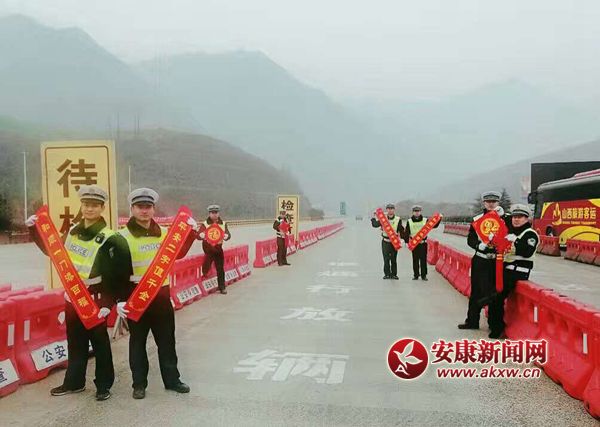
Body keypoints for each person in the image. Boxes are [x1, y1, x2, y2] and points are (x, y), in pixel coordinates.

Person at [26, 185, 126, 401]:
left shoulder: (111, 238)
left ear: (102, 208)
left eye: (95, 205)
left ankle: (103, 385)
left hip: (95, 300)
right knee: (75, 342)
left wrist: (108, 303)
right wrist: (34, 230)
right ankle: (74, 382)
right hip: (72, 297)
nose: (89, 209)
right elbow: (53, 252)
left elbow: (118, 275)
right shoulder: (72, 232)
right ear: (81, 206)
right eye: (86, 204)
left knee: (100, 345)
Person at [116, 188, 197, 399]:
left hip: (161, 296)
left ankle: (172, 380)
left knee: (167, 341)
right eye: (139, 207)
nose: (144, 211)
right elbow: (117, 272)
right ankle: (138, 384)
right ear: (132, 209)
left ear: (153, 209)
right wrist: (120, 300)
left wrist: (190, 234)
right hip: (136, 296)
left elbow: (178, 253)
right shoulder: (122, 236)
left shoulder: (164, 233)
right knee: (137, 342)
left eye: (148, 206)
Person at [487, 204, 539, 339]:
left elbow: (527, 252)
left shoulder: (530, 234)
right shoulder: (510, 232)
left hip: (518, 271)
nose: (516, 219)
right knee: (492, 294)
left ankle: (498, 328)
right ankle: (493, 324)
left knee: (497, 297)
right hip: (505, 269)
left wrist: (515, 242)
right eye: (514, 217)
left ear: (527, 219)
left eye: (520, 217)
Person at [458, 191, 507, 330]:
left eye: (494, 202)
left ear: (498, 203)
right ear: (484, 203)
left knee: (495, 293)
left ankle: (494, 323)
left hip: (497, 261)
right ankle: (472, 321)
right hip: (480, 260)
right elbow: (471, 239)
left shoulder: (505, 218)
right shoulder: (477, 219)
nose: (491, 204)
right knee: (476, 292)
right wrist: (479, 245)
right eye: (488, 202)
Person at [197, 204, 232, 294]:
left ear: (218, 213)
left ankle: (222, 287)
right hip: (208, 248)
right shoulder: (205, 224)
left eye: (216, 212)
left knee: (220, 269)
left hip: (218, 248)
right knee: (206, 264)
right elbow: (198, 235)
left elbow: (228, 234)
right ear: (209, 214)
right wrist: (201, 235)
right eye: (212, 213)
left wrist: (227, 236)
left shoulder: (223, 224)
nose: (214, 214)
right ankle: (204, 275)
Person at [403, 205, 441, 281]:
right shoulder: (409, 221)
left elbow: (434, 225)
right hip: (414, 243)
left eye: (418, 211)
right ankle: (416, 275)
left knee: (423, 260)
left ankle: (424, 275)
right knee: (415, 260)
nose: (417, 213)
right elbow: (407, 232)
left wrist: (439, 219)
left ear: (420, 212)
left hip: (423, 243)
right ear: (413, 212)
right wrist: (406, 242)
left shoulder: (425, 220)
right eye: (415, 211)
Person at [371, 203, 404, 280]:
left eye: (391, 209)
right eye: (388, 209)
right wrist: (373, 218)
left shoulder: (398, 219)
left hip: (394, 242)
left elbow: (401, 230)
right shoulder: (383, 219)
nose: (390, 210)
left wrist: (403, 239)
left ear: (394, 210)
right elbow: (375, 225)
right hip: (385, 241)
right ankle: (387, 274)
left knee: (393, 259)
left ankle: (394, 274)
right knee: (386, 259)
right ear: (387, 210)